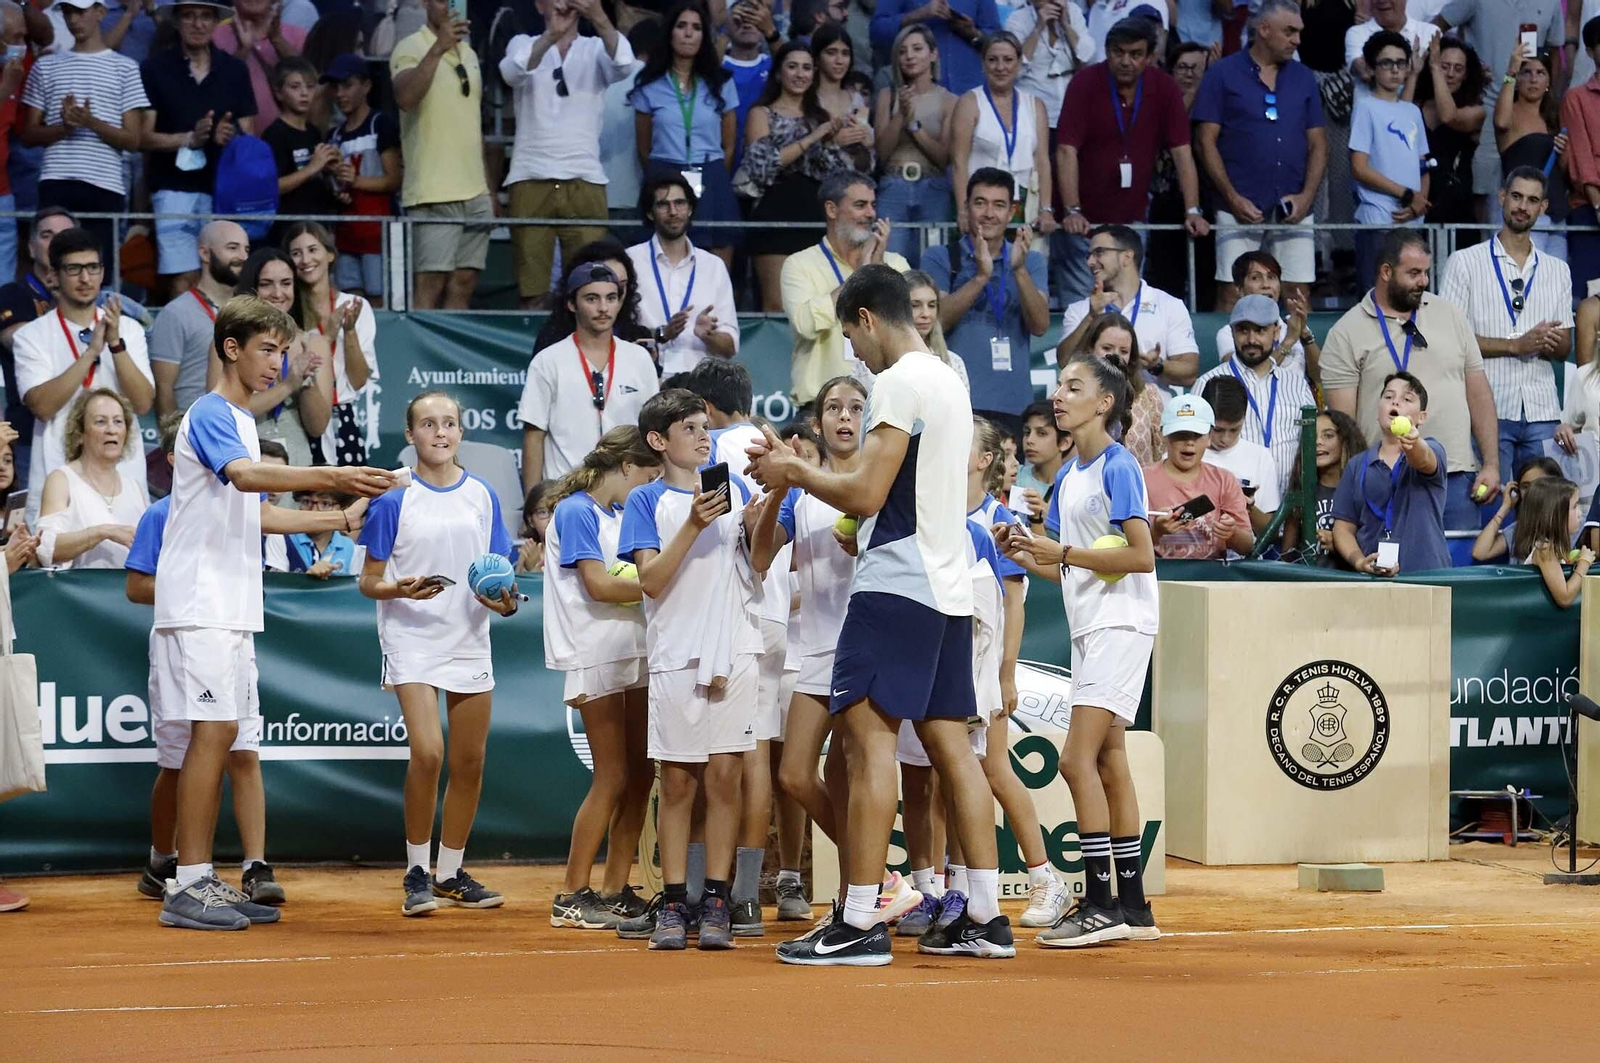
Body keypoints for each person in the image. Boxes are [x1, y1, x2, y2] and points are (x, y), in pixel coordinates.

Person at [746, 264, 1015, 966]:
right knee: (955, 750)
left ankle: (860, 918)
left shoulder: (898, 382)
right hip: (948, 588)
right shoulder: (952, 380)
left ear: (868, 318)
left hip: (896, 583)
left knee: (867, 747)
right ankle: (984, 914)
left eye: (850, 338)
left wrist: (793, 471)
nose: (855, 358)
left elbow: (866, 492)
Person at [156, 295, 392, 931]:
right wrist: (335, 476)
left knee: (224, 732)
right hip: (201, 600)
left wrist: (335, 516)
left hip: (230, 603)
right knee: (211, 733)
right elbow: (245, 479)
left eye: (282, 351)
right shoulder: (211, 411)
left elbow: (256, 513)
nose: (277, 363)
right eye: (267, 349)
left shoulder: (238, 421)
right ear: (231, 348)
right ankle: (188, 882)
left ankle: (201, 878)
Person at [995, 352, 1159, 946]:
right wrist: (1021, 550)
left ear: (1104, 403)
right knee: (1110, 761)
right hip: (1089, 627)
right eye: (1060, 386)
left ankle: (1099, 901)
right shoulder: (1067, 478)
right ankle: (1134, 907)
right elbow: (1062, 571)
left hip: (1123, 624)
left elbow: (1141, 555)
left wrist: (1060, 553)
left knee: (1074, 760)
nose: (1059, 396)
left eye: (1073, 387)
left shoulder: (1120, 467)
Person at [358, 391, 518, 917]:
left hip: (468, 637)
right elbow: (368, 582)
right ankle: (415, 870)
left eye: (449, 423)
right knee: (429, 753)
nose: (440, 432)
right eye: (428, 424)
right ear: (410, 436)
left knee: (470, 761)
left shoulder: (483, 495)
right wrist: (399, 590)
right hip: (411, 638)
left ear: (460, 432)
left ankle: (450, 871)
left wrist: (504, 603)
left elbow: (499, 577)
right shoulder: (392, 499)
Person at [615, 388, 759, 953]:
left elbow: (762, 559)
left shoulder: (735, 486)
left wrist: (771, 502)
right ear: (658, 441)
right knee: (677, 783)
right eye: (690, 428)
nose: (705, 435)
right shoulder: (645, 502)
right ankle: (675, 900)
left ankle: (717, 899)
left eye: (706, 425)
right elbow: (650, 582)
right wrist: (695, 525)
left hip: (736, 650)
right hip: (676, 653)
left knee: (725, 780)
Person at [127, 412, 285, 911]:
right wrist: (193, 589)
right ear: (177, 459)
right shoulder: (160, 514)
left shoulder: (241, 507)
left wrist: (341, 517)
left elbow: (269, 518)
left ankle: (247, 867)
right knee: (181, 759)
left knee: (239, 748)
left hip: (230, 628)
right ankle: (167, 862)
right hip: (192, 628)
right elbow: (136, 586)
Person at [746, 375, 865, 930]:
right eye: (834, 408)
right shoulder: (802, 491)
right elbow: (762, 556)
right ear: (818, 424)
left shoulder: (879, 482)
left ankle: (854, 901)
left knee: (851, 777)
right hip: (817, 653)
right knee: (795, 775)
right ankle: (880, 879)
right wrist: (775, 490)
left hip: (868, 649)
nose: (845, 416)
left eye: (856, 408)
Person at [544, 426, 660, 929]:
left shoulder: (618, 514)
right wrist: (656, 585)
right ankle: (572, 892)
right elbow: (595, 586)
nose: (652, 485)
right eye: (649, 474)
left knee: (640, 776)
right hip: (595, 652)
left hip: (634, 651)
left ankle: (614, 889)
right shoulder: (576, 511)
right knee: (612, 775)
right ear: (629, 467)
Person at [1323, 229, 1500, 542]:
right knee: (1387, 581)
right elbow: (1343, 425)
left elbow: (1479, 393)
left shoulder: (1452, 316)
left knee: (1457, 584)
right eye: (1414, 273)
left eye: (1427, 273)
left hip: (1454, 476)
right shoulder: (1346, 333)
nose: (1424, 282)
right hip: (1384, 479)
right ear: (1386, 272)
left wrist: (1491, 463)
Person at [962, 416, 1070, 930]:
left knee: (995, 771)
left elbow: (1015, 605)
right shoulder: (934, 514)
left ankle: (1046, 878)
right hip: (945, 661)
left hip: (985, 668)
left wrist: (1006, 674)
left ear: (984, 460)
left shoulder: (1002, 520)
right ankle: (953, 887)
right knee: (948, 777)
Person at [1056, 16, 1206, 308]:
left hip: (1133, 222)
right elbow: (1065, 150)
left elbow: (1182, 152)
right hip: (1083, 224)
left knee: (1125, 310)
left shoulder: (1164, 88)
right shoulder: (1084, 83)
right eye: (1118, 52)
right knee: (1080, 310)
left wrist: (1193, 209)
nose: (1126, 61)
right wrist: (1072, 209)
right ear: (1107, 51)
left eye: (1135, 54)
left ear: (1150, 57)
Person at [1192, 0, 1327, 312]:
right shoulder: (1222, 73)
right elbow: (1204, 142)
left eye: (1299, 32)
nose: (1297, 40)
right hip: (1237, 205)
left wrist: (1307, 197)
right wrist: (1232, 197)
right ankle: (1225, 360)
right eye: (1290, 31)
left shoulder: (1304, 77)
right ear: (1263, 30)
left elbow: (1319, 144)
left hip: (1293, 207)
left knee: (1297, 295)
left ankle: (1294, 360)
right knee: (1231, 292)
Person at [1440, 167, 1572, 483]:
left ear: (1543, 208)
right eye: (1516, 196)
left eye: (1532, 200)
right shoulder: (1464, 261)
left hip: (1541, 408)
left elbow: (1566, 347)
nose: (1522, 206)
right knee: (1490, 510)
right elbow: (1449, 339)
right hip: (1487, 408)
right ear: (1501, 197)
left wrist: (1550, 342)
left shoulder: (1558, 270)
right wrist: (1516, 345)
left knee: (1542, 513)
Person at [14, 227, 152, 527]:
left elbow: (142, 403)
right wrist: (90, 353)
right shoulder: (31, 336)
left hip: (123, 480)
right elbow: (42, 405)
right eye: (74, 269)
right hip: (58, 481)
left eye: (92, 268)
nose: (85, 279)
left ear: (103, 272)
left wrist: (115, 345)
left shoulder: (129, 330)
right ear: (53, 276)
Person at [500, 0, 632, 310]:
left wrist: (598, 15)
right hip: (530, 176)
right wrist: (551, 36)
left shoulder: (595, 47)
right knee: (532, 290)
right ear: (539, 5)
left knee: (590, 287)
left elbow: (624, 63)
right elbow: (510, 73)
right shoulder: (523, 43)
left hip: (585, 178)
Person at [139, 0, 257, 300]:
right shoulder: (155, 69)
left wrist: (230, 135)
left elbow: (250, 138)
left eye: (205, 16)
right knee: (182, 283)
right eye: (189, 16)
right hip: (172, 189)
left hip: (224, 192)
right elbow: (142, 137)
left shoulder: (235, 70)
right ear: (177, 21)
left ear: (217, 21)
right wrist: (189, 138)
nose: (197, 24)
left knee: (226, 283)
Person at [17, 0, 148, 262]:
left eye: (80, 11)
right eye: (67, 12)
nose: (73, 19)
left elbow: (133, 140)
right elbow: (28, 134)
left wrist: (90, 123)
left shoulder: (126, 68)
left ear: (100, 12)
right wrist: (65, 128)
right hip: (56, 181)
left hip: (105, 185)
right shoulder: (45, 67)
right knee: (52, 268)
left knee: (99, 273)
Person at [920, 166, 1047, 434]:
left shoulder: (1030, 260)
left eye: (999, 205)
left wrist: (1019, 271)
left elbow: (1040, 325)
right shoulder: (941, 257)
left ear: (1011, 212)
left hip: (1014, 404)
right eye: (980, 203)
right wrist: (980, 277)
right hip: (956, 401)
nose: (989, 213)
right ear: (965, 208)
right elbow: (935, 322)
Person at [737, 40, 858, 309]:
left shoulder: (821, 116)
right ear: (779, 73)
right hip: (774, 215)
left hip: (815, 216)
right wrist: (813, 137)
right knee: (777, 306)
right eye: (792, 67)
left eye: (806, 68)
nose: (800, 74)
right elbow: (762, 166)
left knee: (818, 305)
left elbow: (836, 171)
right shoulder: (761, 113)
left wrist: (835, 142)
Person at [519, 262, 661, 488]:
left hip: (629, 493)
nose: (603, 307)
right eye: (592, 299)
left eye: (611, 298)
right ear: (572, 304)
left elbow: (655, 431)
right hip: (565, 494)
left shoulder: (639, 359)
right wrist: (533, 505)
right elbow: (534, 436)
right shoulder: (548, 361)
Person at [392, 0, 493, 310]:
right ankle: (419, 359)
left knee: (465, 282)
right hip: (433, 191)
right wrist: (438, 48)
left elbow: (472, 125)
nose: (450, 6)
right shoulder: (409, 46)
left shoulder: (470, 53)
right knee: (430, 285)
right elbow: (406, 98)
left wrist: (488, 189)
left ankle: (452, 360)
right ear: (424, 3)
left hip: (475, 191)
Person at [780, 171, 909, 404]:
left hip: (886, 404)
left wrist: (878, 276)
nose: (870, 214)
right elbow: (805, 326)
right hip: (820, 407)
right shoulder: (799, 264)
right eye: (860, 205)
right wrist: (860, 275)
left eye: (873, 205)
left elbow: (907, 330)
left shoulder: (896, 264)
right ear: (831, 210)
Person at [629, 0, 741, 264]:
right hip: (663, 171)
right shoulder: (649, 83)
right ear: (670, 33)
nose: (689, 33)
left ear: (704, 35)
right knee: (660, 254)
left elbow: (729, 144)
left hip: (710, 172)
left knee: (718, 251)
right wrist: (663, 170)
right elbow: (643, 148)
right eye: (681, 26)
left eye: (696, 27)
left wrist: (711, 173)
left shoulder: (721, 81)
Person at [1433, 0, 1563, 216]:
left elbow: (1556, 52)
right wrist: (1465, 61)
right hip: (1487, 106)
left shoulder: (1551, 2)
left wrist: (1551, 100)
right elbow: (1436, 28)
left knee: (1531, 187)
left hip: (1530, 110)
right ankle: (1489, 245)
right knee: (1485, 189)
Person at [1194, 294, 1318, 495]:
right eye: (1243, 330)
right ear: (1232, 332)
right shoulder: (1207, 384)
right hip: (1228, 511)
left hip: (1290, 510)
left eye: (1261, 330)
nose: (1251, 340)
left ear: (1276, 332)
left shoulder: (1296, 384)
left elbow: (1311, 444)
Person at [220, 247, 333, 468]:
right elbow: (225, 412)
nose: (278, 293)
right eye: (266, 284)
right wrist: (288, 385)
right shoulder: (229, 340)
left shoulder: (312, 343)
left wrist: (306, 381)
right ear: (251, 288)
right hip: (241, 459)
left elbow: (317, 427)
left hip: (295, 464)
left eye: (286, 283)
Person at [1331, 370, 1450, 574]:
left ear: (1422, 417)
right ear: (1378, 411)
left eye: (1406, 398)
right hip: (1375, 581)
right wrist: (1359, 562)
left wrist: (1413, 442)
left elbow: (1424, 460)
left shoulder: (1432, 448)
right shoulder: (1356, 465)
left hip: (1429, 578)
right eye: (1388, 396)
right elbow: (1343, 528)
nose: (1395, 402)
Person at [1057, 223, 1200, 388]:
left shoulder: (1169, 305)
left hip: (1150, 410)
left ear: (1127, 257)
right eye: (1089, 255)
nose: (1090, 261)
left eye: (1099, 252)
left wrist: (1157, 365)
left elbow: (1190, 372)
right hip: (1096, 410)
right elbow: (1064, 363)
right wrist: (1090, 317)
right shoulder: (1080, 310)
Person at [627, 169, 739, 375]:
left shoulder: (713, 266)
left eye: (680, 203)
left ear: (689, 209)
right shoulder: (630, 261)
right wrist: (662, 333)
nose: (673, 212)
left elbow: (730, 347)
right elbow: (616, 334)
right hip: (642, 378)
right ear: (650, 213)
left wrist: (707, 336)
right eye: (663, 204)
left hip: (697, 385)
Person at [284, 221, 377, 467]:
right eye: (296, 253)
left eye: (313, 249)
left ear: (330, 254)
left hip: (343, 420)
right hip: (298, 418)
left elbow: (358, 380)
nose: (305, 259)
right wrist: (327, 338)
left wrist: (348, 331)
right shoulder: (287, 309)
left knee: (348, 502)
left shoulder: (355, 305)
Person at [949, 32, 1054, 237]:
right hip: (980, 203)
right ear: (983, 64)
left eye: (1008, 60)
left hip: (1023, 203)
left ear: (1019, 64)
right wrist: (963, 209)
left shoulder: (1035, 105)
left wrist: (1046, 209)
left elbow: (1042, 160)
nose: (1000, 67)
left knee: (1020, 264)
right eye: (992, 60)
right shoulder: (969, 102)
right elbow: (958, 161)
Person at [0, 207, 76, 490]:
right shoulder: (12, 294)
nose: (57, 242)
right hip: (29, 435)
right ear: (32, 249)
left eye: (65, 235)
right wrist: (64, 305)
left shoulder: (94, 298)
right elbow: (18, 340)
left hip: (81, 432)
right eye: (47, 235)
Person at [1349, 32, 1431, 293]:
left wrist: (1419, 203)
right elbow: (1359, 168)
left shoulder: (1412, 111)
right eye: (1386, 63)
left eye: (1400, 62)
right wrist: (1407, 195)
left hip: (1414, 222)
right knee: (1376, 299)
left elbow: (1424, 164)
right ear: (1372, 69)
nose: (1395, 69)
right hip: (1379, 221)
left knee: (1411, 300)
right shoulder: (1365, 107)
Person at [872, 24, 958, 268]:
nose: (909, 56)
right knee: (890, 266)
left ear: (933, 54)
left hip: (934, 187)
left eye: (917, 49)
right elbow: (882, 153)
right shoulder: (888, 97)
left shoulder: (950, 100)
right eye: (903, 51)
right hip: (893, 185)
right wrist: (901, 115)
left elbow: (944, 157)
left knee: (932, 266)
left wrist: (914, 126)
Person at [150, 221, 250, 421]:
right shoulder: (175, 313)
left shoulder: (249, 311)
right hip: (195, 435)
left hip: (242, 431)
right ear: (205, 254)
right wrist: (174, 443)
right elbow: (163, 388)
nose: (243, 256)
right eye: (232, 248)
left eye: (246, 249)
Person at [324, 53, 402, 308]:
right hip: (346, 234)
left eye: (348, 85)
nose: (340, 93)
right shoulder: (333, 134)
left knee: (379, 300)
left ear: (367, 86)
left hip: (377, 234)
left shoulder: (381, 124)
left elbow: (393, 179)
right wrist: (339, 191)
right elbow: (337, 185)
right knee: (350, 302)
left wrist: (355, 181)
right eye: (336, 87)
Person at [35, 386, 145, 568]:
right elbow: (46, 549)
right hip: (80, 594)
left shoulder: (133, 487)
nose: (112, 430)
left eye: (118, 422)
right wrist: (102, 532)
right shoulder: (62, 480)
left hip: (126, 594)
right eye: (101, 422)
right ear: (79, 434)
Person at [1140, 394, 1252, 559]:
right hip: (1159, 576)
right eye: (1181, 435)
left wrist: (1231, 532)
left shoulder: (1224, 480)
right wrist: (1156, 531)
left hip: (1211, 577)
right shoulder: (1141, 480)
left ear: (1209, 437)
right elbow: (1126, 545)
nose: (1189, 442)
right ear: (1164, 436)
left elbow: (1247, 545)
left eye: (1197, 435)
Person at [1491, 44, 1567, 259]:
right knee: (1523, 279)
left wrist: (1565, 150)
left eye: (1540, 73)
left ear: (1548, 81)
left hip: (1555, 212)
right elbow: (1501, 122)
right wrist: (1510, 72)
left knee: (1554, 281)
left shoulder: (1554, 118)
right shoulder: (1510, 113)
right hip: (1522, 212)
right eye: (1527, 72)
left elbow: (1565, 171)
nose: (1533, 79)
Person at [261, 56, 342, 248]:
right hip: (288, 230)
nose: (304, 93)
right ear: (279, 93)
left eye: (310, 86)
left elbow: (318, 179)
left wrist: (334, 173)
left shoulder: (313, 132)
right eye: (295, 87)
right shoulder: (275, 134)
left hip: (318, 225)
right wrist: (313, 167)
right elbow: (273, 186)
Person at [1066, 311, 1163, 466]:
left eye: (1124, 351)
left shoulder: (1149, 396)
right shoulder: (1066, 397)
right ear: (1090, 349)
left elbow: (1161, 455)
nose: (1115, 356)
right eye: (1107, 348)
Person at [1214, 251, 1319, 388]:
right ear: (1239, 289)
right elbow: (1241, 377)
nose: (1266, 285)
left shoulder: (1292, 325)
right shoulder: (1229, 332)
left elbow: (1320, 376)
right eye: (1256, 278)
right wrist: (1288, 341)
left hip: (1296, 403)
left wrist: (1304, 333)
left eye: (1271, 277)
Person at [530, 239, 653, 353]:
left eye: (622, 285)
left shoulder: (637, 336)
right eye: (608, 283)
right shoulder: (554, 336)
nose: (615, 292)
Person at [1414, 35, 1486, 225]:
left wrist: (1436, 68)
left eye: (1458, 68)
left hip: (1456, 208)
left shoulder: (1476, 110)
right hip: (1415, 202)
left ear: (1466, 75)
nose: (1451, 74)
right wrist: (1415, 73)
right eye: (1445, 66)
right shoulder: (1416, 106)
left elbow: (1448, 116)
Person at [1199, 375, 1283, 535]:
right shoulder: (1183, 454)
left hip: (1244, 556)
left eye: (1235, 429)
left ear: (1244, 419)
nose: (1225, 439)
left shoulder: (1260, 457)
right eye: (1218, 430)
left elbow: (1270, 533)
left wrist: (1248, 508)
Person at [1282, 408, 1366, 565]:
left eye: (1328, 435)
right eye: (1312, 436)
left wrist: (1340, 545)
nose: (1318, 441)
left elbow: (1374, 545)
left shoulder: (1363, 489)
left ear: (1346, 441)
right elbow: (1286, 556)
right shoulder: (1300, 491)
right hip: (1309, 584)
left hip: (1351, 584)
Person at [869, 0, 1000, 97]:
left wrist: (972, 33)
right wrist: (918, 14)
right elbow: (877, 32)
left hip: (970, 91)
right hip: (917, 96)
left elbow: (997, 41)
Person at [212, 0, 308, 129]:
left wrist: (277, 40)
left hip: (290, 142)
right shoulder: (214, 37)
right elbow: (214, 91)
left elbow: (308, 83)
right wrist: (243, 51)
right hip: (237, 141)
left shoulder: (299, 35)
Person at [1514, 476, 1594, 606]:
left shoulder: (1550, 548)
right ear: (1554, 514)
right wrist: (1584, 564)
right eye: (1574, 507)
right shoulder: (1545, 550)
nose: (1580, 513)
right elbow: (1564, 598)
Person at [1565, 19, 1600, 302]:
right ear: (1590, 51)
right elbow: (1581, 156)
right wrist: (1598, 203)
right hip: (1589, 209)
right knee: (1589, 299)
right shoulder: (1576, 98)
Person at [808, 23, 873, 173]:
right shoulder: (806, 99)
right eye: (831, 52)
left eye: (845, 53)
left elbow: (870, 146)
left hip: (856, 182)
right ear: (816, 58)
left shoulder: (856, 99)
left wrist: (868, 141)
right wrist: (833, 143)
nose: (840, 61)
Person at [1472, 454, 1561, 561]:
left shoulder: (1570, 523)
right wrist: (1505, 508)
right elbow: (1480, 552)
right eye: (1525, 487)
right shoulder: (1519, 530)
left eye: (1538, 485)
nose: (1531, 493)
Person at [1346, 0, 1439, 103]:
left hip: (1419, 115)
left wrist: (1382, 65)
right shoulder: (1357, 33)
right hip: (1372, 116)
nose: (1382, 1)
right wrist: (1415, 70)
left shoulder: (1430, 32)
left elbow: (1439, 77)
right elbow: (1364, 71)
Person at [722, 0, 776, 171]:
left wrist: (770, 30)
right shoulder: (719, 64)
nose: (747, 24)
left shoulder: (772, 64)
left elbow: (791, 60)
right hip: (723, 152)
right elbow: (704, 74)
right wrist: (728, 30)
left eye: (754, 18)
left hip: (762, 159)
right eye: (740, 18)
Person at [517, 479, 555, 573]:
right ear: (531, 521)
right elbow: (518, 585)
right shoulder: (529, 552)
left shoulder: (575, 551)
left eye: (557, 510)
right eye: (543, 512)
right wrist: (530, 567)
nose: (551, 519)